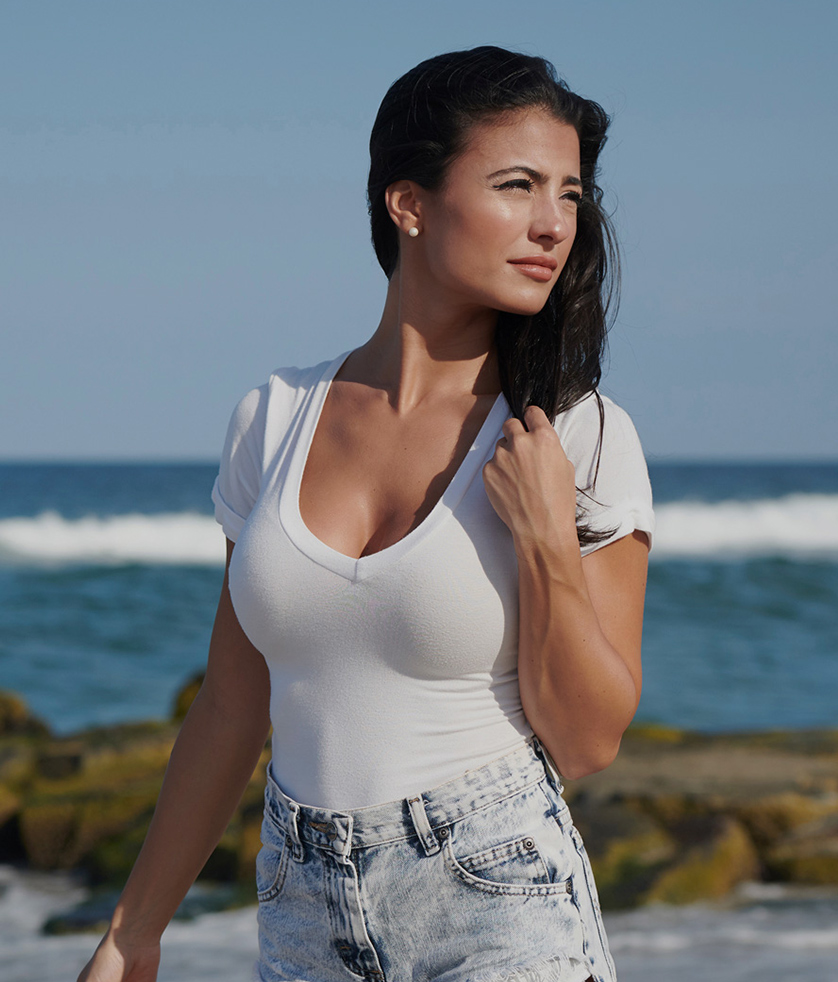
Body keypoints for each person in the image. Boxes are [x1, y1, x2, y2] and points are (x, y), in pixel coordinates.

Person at [78, 45, 654, 982]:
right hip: (301, 911)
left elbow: (589, 742)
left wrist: (547, 537)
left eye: (571, 195)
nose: (554, 225)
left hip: (497, 897)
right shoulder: (273, 416)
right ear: (409, 202)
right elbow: (231, 703)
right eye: (518, 186)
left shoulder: (576, 435)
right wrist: (133, 931)